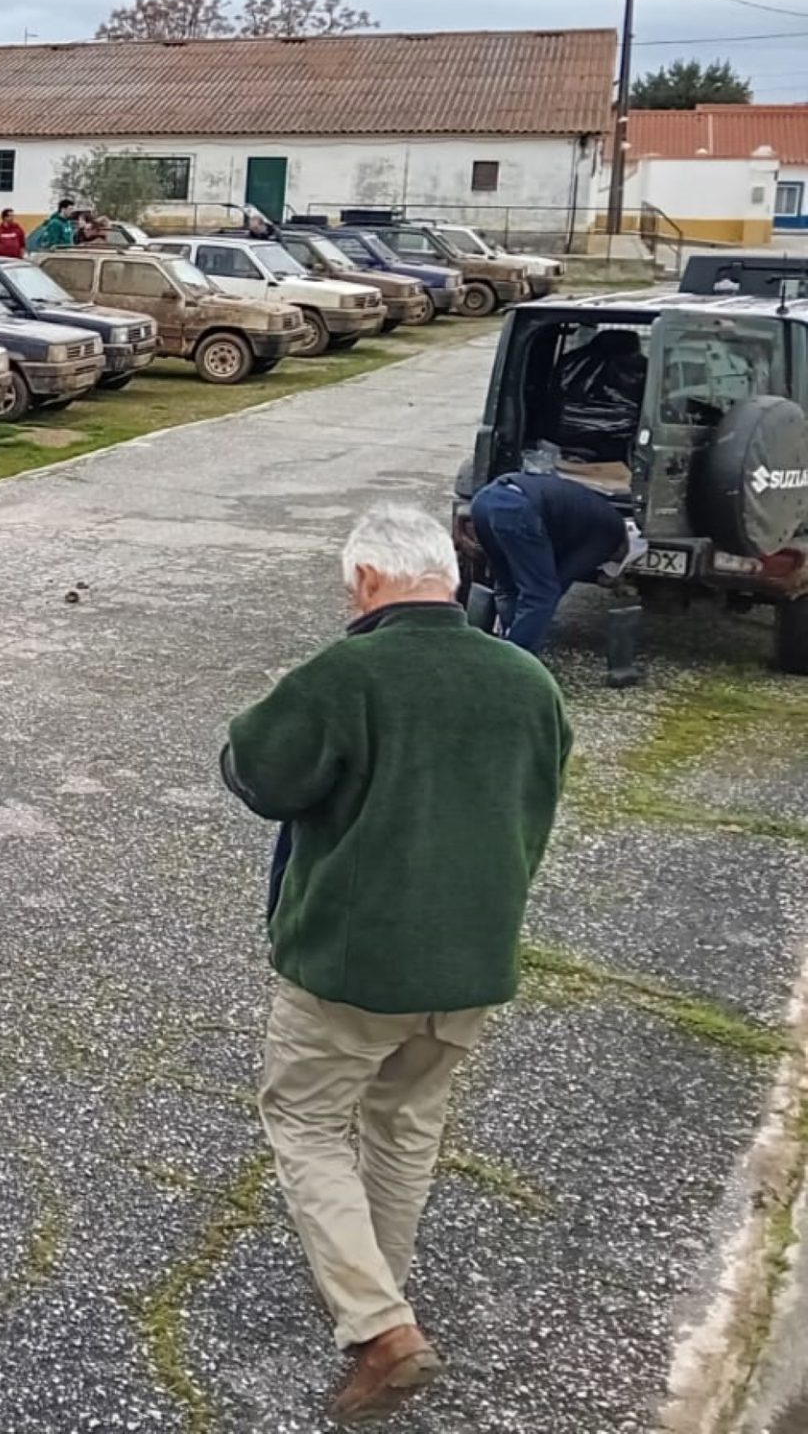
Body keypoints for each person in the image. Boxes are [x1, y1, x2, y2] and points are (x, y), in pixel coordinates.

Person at [222, 503, 569, 1422]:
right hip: (472, 959)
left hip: (353, 963)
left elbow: (259, 772)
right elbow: (535, 808)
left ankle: (379, 1324)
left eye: (350, 590)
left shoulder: (350, 672)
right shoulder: (529, 679)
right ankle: (376, 1289)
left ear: (370, 583)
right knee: (407, 1124)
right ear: (448, 581)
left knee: (304, 1121)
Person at [468, 471, 642, 657]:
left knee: (508, 583)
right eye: (614, 560)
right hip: (516, 509)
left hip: (486, 500)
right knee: (542, 594)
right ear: (624, 548)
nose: (606, 560)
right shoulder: (611, 535)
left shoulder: (596, 517)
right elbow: (561, 577)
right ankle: (515, 660)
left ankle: (507, 639)